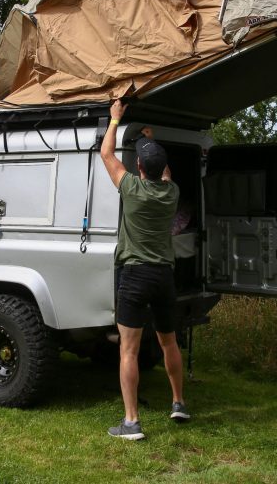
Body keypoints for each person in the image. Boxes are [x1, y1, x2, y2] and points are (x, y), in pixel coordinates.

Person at [100, 98, 190, 441]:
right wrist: (150, 142)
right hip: (163, 277)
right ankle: (178, 402)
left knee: (129, 350)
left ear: (138, 167)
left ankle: (132, 422)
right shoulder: (171, 192)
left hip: (135, 276)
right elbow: (162, 170)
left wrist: (114, 119)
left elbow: (107, 155)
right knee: (169, 344)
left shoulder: (132, 189)